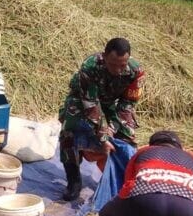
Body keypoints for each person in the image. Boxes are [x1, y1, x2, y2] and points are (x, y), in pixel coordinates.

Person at [59, 37, 144, 201]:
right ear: (104, 56)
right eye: (113, 64)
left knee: (127, 137)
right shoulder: (90, 67)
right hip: (81, 100)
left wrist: (113, 127)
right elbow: (90, 105)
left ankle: (123, 182)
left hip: (109, 103)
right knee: (69, 133)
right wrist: (103, 136)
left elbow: (127, 105)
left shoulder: (135, 72)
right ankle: (74, 181)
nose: (118, 70)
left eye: (122, 65)